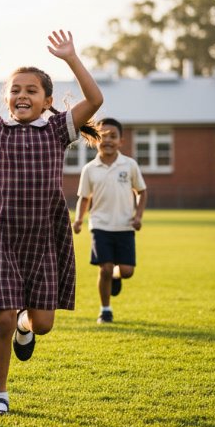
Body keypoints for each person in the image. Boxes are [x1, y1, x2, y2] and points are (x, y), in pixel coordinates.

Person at [0, 31, 103, 416]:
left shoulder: (56, 130)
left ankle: (26, 327)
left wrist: (71, 57)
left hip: (44, 238)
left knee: (44, 324)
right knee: (0, 320)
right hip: (1, 236)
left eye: (32, 90)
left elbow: (96, 100)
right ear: (7, 99)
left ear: (47, 101)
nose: (23, 95)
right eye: (16, 90)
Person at [73, 117, 147, 324]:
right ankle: (105, 310)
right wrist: (79, 220)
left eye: (113, 136)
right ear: (96, 140)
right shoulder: (90, 169)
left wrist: (138, 215)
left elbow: (141, 191)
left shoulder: (129, 165)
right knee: (104, 268)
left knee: (126, 271)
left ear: (121, 141)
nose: (108, 140)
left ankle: (116, 275)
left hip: (125, 226)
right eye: (103, 136)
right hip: (100, 226)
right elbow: (84, 198)